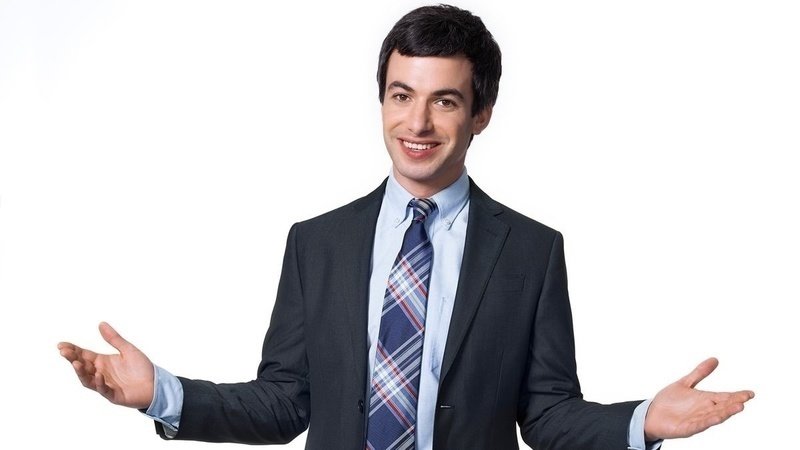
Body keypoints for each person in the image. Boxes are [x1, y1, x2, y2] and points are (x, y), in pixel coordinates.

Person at [58, 4, 754, 449]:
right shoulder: (316, 244)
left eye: (444, 101)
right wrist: (163, 392)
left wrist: (640, 422)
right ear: (383, 101)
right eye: (401, 95)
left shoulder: (532, 252)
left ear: (481, 113)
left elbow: (546, 415)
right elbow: (283, 404)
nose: (417, 123)